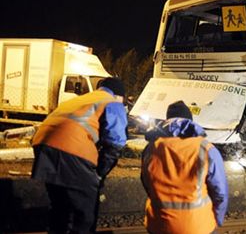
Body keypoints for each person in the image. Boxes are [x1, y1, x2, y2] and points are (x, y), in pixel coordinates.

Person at [31, 77, 128, 234]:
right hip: (72, 149)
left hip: (42, 146)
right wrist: (99, 174)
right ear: (119, 95)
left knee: (60, 207)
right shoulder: (112, 102)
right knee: (84, 212)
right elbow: (115, 143)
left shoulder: (83, 99)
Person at [141, 100, 229, 234]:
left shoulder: (151, 148)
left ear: (167, 121)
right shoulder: (206, 149)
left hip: (159, 225)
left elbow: (146, 182)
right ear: (190, 121)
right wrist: (217, 219)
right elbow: (220, 193)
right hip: (198, 226)